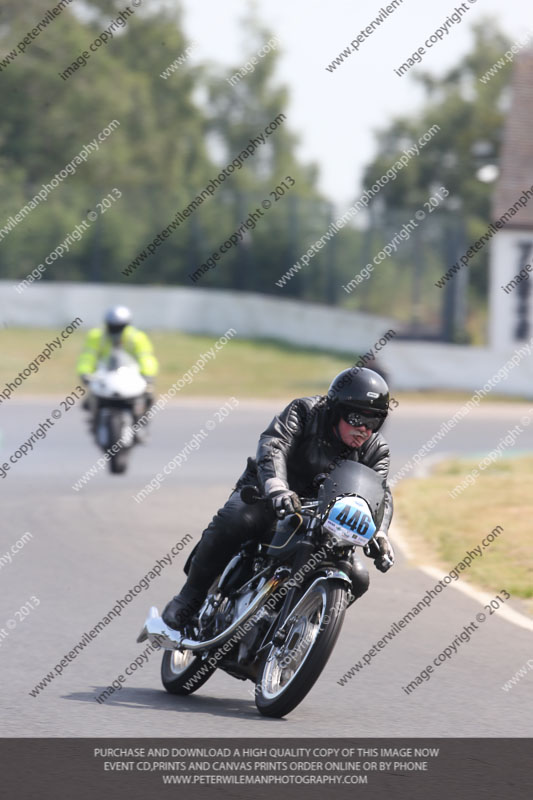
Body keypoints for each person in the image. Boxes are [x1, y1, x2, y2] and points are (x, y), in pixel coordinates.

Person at [162, 366, 395, 631]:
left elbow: (379, 494)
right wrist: (278, 489)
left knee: (359, 577)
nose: (364, 428)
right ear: (336, 410)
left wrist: (380, 534)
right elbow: (274, 444)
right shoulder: (305, 412)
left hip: (323, 514)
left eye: (374, 421)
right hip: (269, 491)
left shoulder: (376, 450)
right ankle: (188, 597)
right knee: (237, 518)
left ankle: (305, 626)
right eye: (356, 418)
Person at [76, 306, 159, 433]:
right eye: (113, 326)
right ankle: (94, 422)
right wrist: (85, 372)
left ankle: (142, 422)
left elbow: (146, 357)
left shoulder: (136, 337)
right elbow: (88, 356)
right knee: (89, 400)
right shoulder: (97, 336)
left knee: (148, 395)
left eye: (119, 326)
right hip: (105, 374)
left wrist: (147, 374)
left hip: (130, 375)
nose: (115, 329)